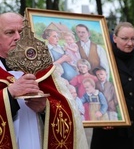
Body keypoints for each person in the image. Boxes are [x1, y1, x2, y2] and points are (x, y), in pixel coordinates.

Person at [0, 12, 88, 149]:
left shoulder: (44, 70)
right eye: (10, 32)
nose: (18, 37)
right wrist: (9, 95)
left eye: (22, 32)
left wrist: (45, 109)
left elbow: (68, 111)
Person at [90, 22, 134, 149]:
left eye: (133, 39)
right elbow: (96, 90)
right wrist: (102, 121)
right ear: (114, 38)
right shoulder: (105, 60)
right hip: (111, 126)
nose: (130, 43)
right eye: (125, 39)